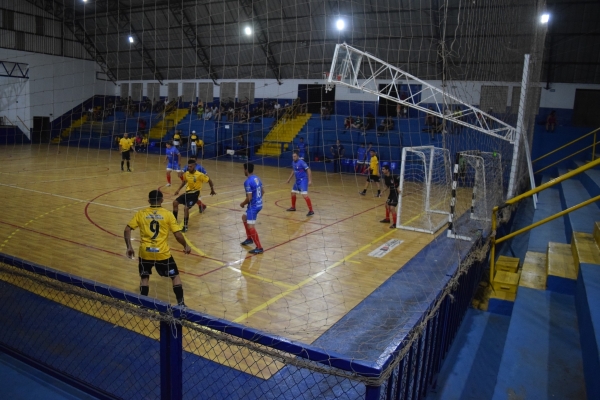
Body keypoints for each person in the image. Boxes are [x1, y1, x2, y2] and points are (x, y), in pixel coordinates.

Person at [124, 190, 190, 306]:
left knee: (144, 277)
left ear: (149, 201)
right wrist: (186, 245)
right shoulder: (167, 214)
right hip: (162, 254)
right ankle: (181, 304)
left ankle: (143, 305)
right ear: (162, 200)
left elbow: (127, 229)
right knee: (175, 276)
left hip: (145, 253)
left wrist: (129, 247)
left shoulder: (141, 213)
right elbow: (178, 235)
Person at [173, 159, 216, 232]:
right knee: (175, 203)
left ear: (194, 166)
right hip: (187, 193)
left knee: (186, 208)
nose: (189, 168)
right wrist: (178, 190)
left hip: (195, 194)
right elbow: (184, 182)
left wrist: (212, 190)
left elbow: (209, 180)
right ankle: (174, 222)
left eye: (190, 167)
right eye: (188, 166)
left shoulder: (200, 175)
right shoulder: (186, 173)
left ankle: (185, 226)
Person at [240, 163, 265, 254]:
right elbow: (263, 191)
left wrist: (242, 204)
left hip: (253, 206)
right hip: (259, 204)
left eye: (244, 169)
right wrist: (258, 200)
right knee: (244, 217)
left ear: (246, 170)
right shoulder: (257, 178)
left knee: (251, 226)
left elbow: (249, 197)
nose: (243, 171)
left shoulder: (247, 182)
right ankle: (249, 238)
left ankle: (259, 247)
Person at [286, 151, 314, 216]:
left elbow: (308, 170)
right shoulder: (293, 162)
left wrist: (310, 180)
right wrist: (289, 179)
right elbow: (293, 171)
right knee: (293, 193)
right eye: (293, 156)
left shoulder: (301, 162)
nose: (293, 158)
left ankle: (311, 211)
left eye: (295, 156)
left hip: (303, 180)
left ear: (298, 156)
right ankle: (293, 207)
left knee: (304, 195)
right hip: (297, 181)